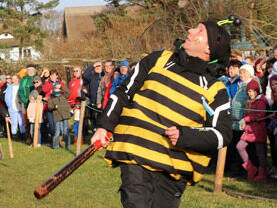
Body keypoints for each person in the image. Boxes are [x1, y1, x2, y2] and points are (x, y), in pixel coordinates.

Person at [91, 21, 232, 207]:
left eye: (200, 31)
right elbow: (123, 93)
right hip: (136, 152)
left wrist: (185, 135)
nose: (189, 30)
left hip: (175, 168)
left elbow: (222, 135)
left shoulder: (216, 90)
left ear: (209, 49)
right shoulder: (158, 59)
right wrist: (103, 126)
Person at [236, 79, 268, 181]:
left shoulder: (261, 101)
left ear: (257, 90)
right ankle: (250, 168)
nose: (250, 93)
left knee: (260, 152)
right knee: (240, 146)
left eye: (253, 91)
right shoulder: (249, 102)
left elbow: (260, 115)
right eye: (249, 91)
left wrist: (245, 120)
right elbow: (248, 115)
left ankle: (262, 172)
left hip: (258, 130)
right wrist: (243, 123)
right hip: (249, 129)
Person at [48, 83, 71, 149]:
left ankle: (67, 145)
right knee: (57, 131)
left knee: (66, 131)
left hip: (65, 115)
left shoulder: (63, 95)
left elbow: (69, 92)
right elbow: (49, 106)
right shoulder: (51, 97)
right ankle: (56, 146)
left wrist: (61, 87)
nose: (57, 89)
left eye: (58, 88)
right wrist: (54, 107)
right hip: (57, 116)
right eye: (56, 88)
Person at [4, 75, 25, 139]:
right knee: (13, 121)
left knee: (21, 121)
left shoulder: (21, 86)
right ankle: (14, 134)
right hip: (12, 106)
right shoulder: (10, 87)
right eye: (13, 79)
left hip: (20, 106)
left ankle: (22, 133)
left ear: (18, 79)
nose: (14, 80)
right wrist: (9, 105)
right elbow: (6, 97)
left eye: (15, 78)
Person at [68, 66, 83, 145]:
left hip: (79, 104)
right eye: (74, 71)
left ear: (80, 72)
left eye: (77, 71)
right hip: (72, 104)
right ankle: (76, 138)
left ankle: (79, 139)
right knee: (74, 121)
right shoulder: (72, 82)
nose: (75, 72)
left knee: (78, 122)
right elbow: (71, 93)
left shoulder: (81, 81)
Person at [267, 75, 277, 179]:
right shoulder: (273, 96)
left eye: (276, 84)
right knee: (274, 148)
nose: (274, 86)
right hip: (273, 127)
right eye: (272, 84)